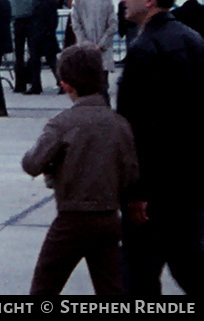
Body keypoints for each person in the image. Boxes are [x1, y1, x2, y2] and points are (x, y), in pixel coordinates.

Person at [20, 44, 138, 296]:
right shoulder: (119, 124)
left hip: (72, 218)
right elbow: (130, 174)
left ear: (65, 84)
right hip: (108, 217)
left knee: (45, 286)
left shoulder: (62, 123)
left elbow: (32, 163)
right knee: (111, 288)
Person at [116, 0, 204, 297]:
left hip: (156, 188)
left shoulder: (145, 49)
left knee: (137, 273)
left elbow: (138, 127)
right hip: (190, 180)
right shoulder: (192, 39)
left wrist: (138, 191)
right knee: (188, 263)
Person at [69, 0, 118, 79]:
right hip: (102, 51)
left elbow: (76, 25)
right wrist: (101, 44)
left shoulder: (78, 0)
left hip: (85, 50)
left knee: (87, 84)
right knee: (103, 84)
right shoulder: (108, 2)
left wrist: (84, 43)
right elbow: (112, 26)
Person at [27, 0, 61, 94]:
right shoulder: (36, 0)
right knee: (35, 62)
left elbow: (53, 19)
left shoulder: (49, 0)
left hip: (46, 36)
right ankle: (36, 85)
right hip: (36, 35)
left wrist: (48, 31)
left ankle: (61, 83)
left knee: (52, 61)